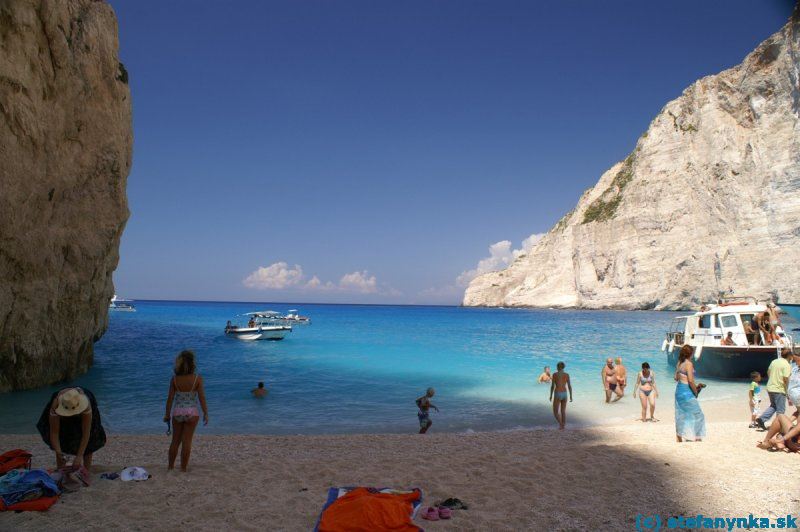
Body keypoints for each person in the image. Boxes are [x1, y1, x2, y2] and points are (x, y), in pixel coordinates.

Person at [36, 387, 106, 469]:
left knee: (91, 440)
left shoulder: (86, 405)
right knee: (62, 438)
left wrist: (79, 456)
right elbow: (54, 433)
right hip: (63, 407)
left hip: (82, 406)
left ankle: (87, 471)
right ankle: (61, 471)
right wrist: (59, 453)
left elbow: (86, 433)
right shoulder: (56, 405)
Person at [164, 350, 209, 471]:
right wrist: (205, 412)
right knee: (187, 442)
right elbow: (201, 397)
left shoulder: (174, 379)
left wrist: (167, 414)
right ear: (192, 364)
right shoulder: (197, 379)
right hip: (192, 413)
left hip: (178, 411)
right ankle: (183, 468)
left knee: (175, 441)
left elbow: (170, 399)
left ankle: (170, 467)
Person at [755, 348, 792, 430]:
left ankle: (761, 419)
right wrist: (787, 391)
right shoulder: (787, 365)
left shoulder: (774, 361)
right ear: (789, 356)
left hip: (770, 387)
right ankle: (778, 427)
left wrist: (772, 379)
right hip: (779, 389)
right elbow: (786, 379)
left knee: (773, 406)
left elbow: (768, 372)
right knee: (781, 410)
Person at [674, 345, 706, 442]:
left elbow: (675, 378)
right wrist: (696, 391)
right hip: (686, 392)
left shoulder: (680, 363)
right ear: (690, 354)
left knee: (681, 414)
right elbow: (691, 381)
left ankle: (679, 437)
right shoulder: (689, 364)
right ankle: (697, 437)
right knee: (699, 414)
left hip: (679, 391)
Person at [549, 362, 572, 430]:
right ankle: (563, 425)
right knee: (563, 411)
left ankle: (561, 425)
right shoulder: (567, 375)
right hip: (565, 393)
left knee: (555, 412)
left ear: (558, 367)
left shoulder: (555, 374)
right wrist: (571, 395)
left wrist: (550, 395)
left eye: (557, 366)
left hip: (558, 393)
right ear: (563, 367)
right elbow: (569, 386)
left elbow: (552, 386)